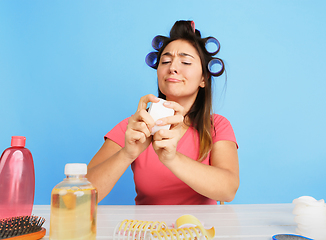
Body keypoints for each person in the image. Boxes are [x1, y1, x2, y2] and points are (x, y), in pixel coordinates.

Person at [87, 20, 239, 205]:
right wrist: (127, 153)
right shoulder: (134, 127)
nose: (172, 68)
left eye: (185, 61)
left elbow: (228, 190)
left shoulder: (217, 126)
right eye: (165, 61)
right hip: (148, 232)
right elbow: (83, 196)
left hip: (199, 231)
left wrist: (172, 158)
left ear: (204, 79)